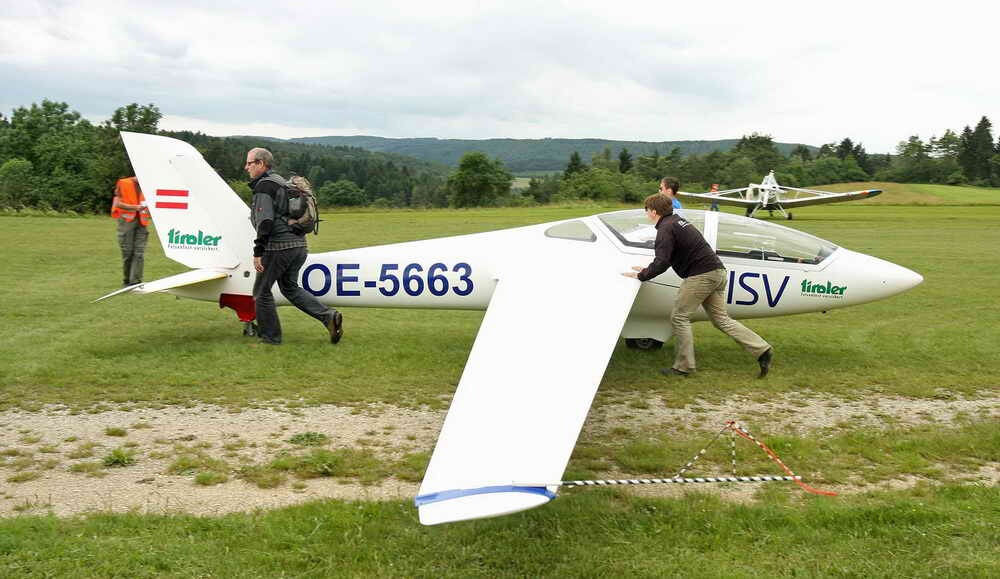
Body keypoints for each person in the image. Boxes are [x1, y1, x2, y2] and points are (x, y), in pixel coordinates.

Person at [622, 193, 773, 378]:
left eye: (647, 211)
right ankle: (762, 350)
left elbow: (662, 262)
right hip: (717, 272)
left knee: (679, 317)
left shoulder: (665, 229)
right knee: (721, 319)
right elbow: (670, 257)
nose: (646, 214)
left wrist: (641, 275)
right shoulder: (678, 222)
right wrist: (647, 269)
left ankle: (683, 367)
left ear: (653, 211)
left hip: (701, 275)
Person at [246, 147, 343, 345]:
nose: (245, 167)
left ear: (261, 164)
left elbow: (265, 221)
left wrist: (258, 251)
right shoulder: (281, 182)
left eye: (250, 163)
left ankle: (270, 339)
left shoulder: (265, 186)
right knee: (289, 288)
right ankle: (328, 316)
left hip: (278, 247)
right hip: (298, 245)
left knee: (261, 292)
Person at [111, 176, 150, 287]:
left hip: (142, 222)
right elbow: (117, 204)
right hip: (126, 222)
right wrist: (135, 207)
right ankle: (127, 280)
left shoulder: (148, 184)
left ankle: (136, 282)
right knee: (127, 252)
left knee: (139, 252)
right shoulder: (123, 183)